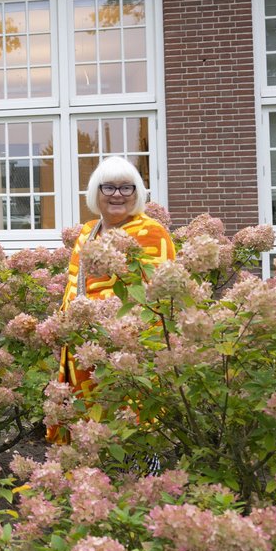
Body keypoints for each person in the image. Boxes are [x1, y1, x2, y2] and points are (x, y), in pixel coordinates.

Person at [45, 155, 175, 445]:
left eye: (126, 188)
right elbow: (73, 286)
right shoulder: (86, 232)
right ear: (96, 193)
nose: (118, 195)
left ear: (137, 193)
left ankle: (134, 482)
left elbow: (158, 297)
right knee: (86, 427)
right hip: (81, 350)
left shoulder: (151, 233)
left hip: (124, 351)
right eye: (109, 188)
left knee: (126, 423)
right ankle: (86, 483)